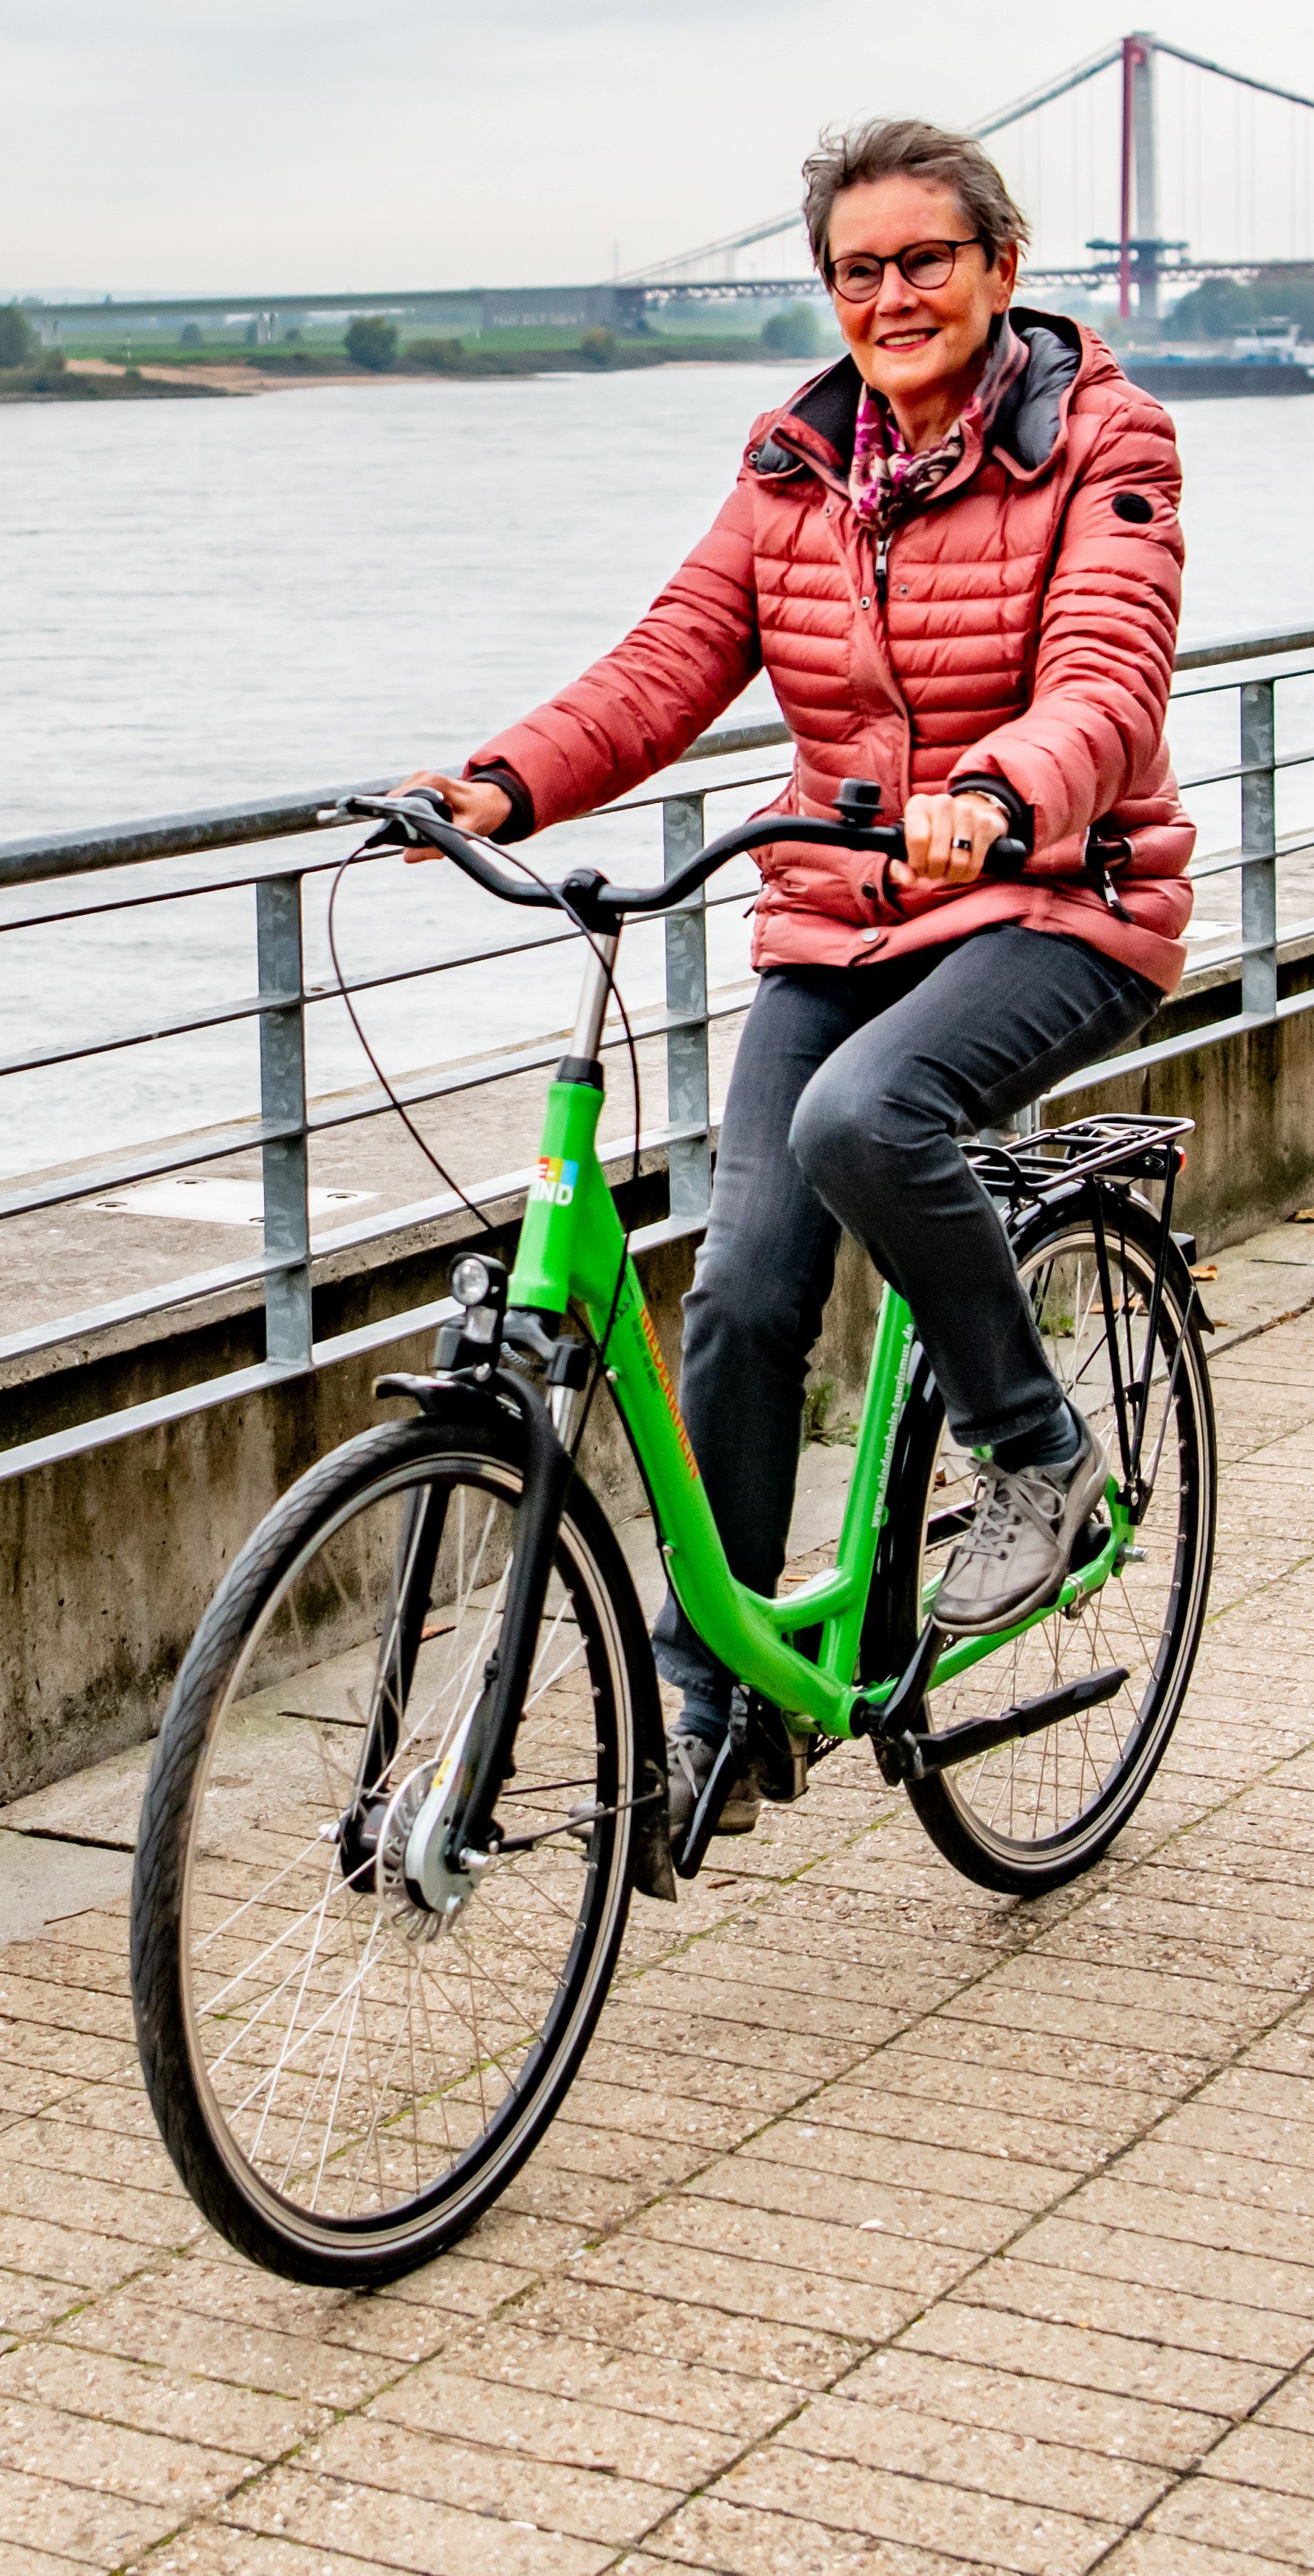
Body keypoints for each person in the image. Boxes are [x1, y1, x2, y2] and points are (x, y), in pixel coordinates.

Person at [392, 119, 1193, 1865]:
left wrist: (1002, 792)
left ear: (1001, 267)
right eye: (857, 270)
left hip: (1061, 894)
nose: (892, 296)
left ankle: (1038, 1450)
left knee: (864, 1117)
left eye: (926, 261)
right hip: (842, 919)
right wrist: (500, 783)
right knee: (743, 1291)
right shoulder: (795, 464)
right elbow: (671, 659)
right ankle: (718, 1702)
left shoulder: (1104, 438)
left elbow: (1110, 676)